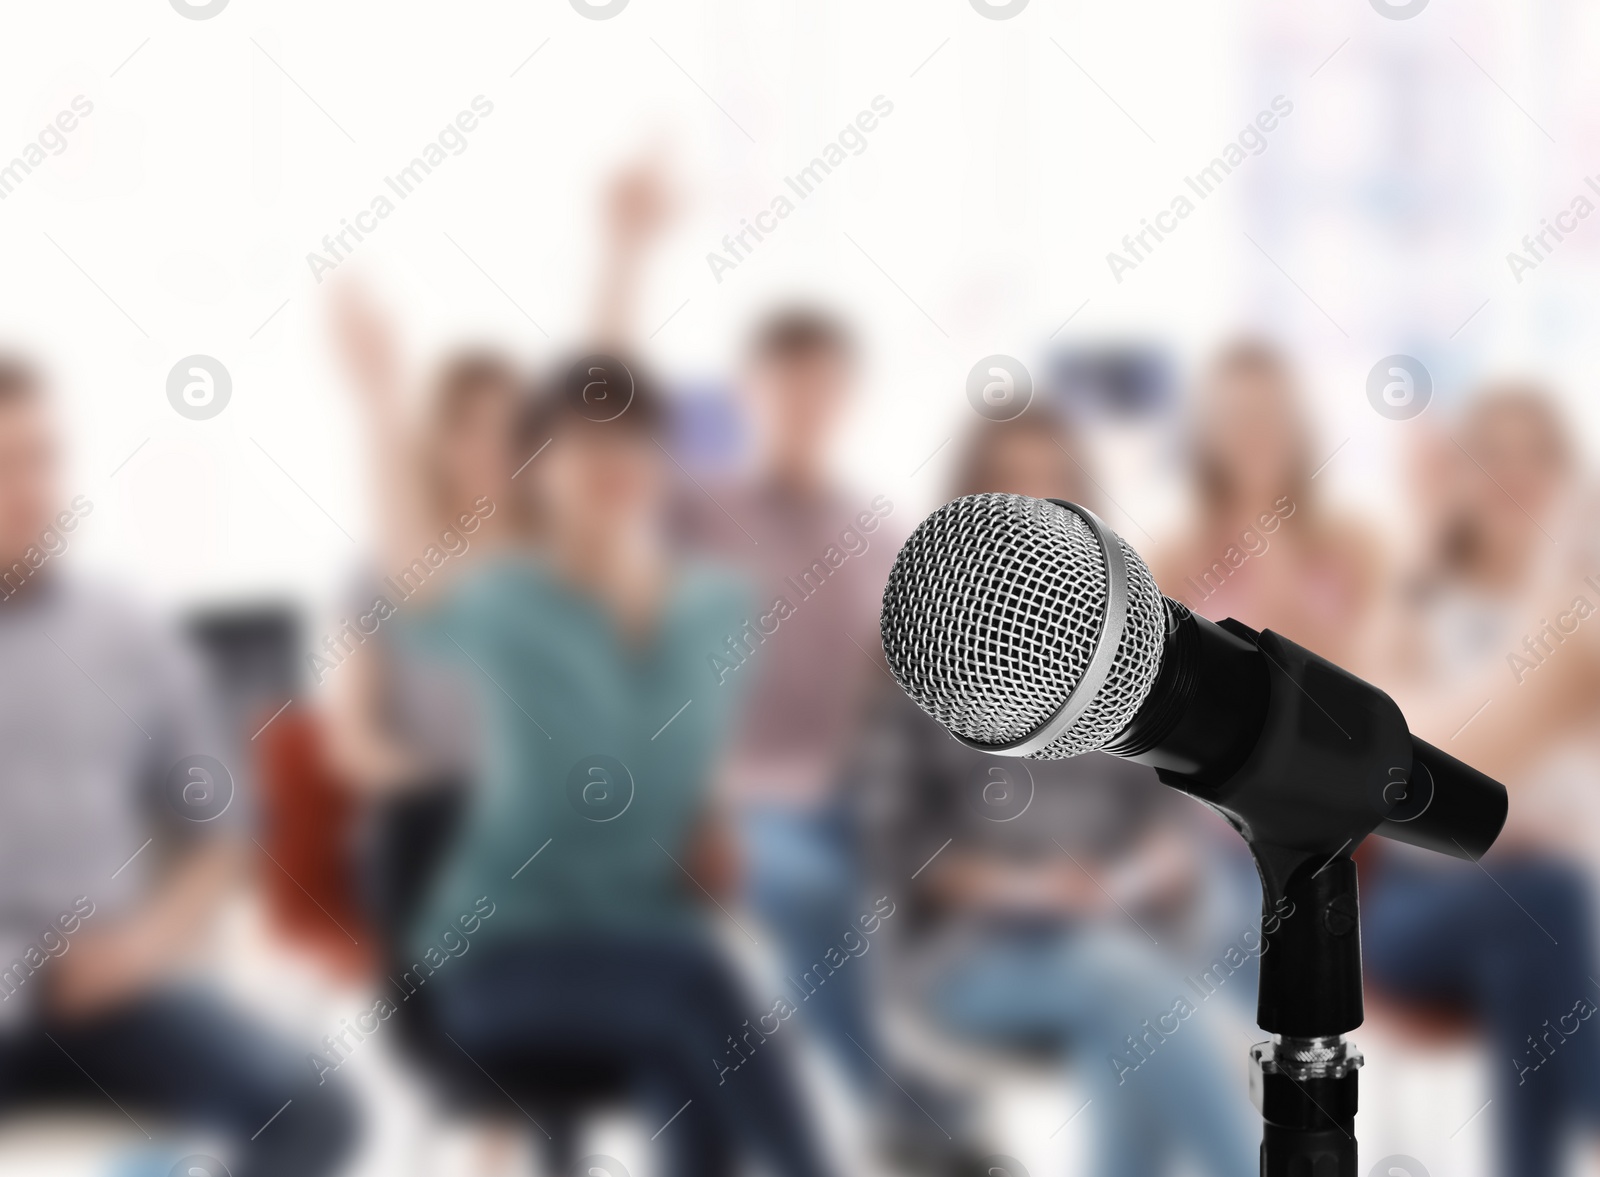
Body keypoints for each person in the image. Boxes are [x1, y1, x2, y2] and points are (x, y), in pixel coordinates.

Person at [379, 362, 838, 1177]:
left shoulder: (719, 607)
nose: (610, 460)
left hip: (651, 941)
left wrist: (708, 826)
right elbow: (414, 592)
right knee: (699, 982)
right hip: (501, 955)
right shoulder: (504, 598)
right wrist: (377, 394)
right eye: (580, 443)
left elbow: (692, 774)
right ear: (536, 471)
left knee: (695, 1047)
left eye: (632, 439)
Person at [858, 410, 1257, 1177]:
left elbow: (1168, 808)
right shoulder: (922, 647)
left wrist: (1135, 874)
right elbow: (894, 843)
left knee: (1154, 984)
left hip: (1122, 923)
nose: (1038, 502)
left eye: (1057, 483)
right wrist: (1027, 889)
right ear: (973, 502)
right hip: (968, 952)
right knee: (1129, 979)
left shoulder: (1121, 646)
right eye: (1015, 480)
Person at [0, 358, 358, 1176]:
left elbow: (224, 828)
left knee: (311, 1109)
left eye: (41, 458)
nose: (29, 488)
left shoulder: (122, 627)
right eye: (3, 464)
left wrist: (148, 945)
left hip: (111, 987)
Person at [1363, 384, 1600, 1177]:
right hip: (1414, 906)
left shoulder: (1580, 618)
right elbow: (1384, 759)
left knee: (1531, 939)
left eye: (1537, 452)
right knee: (1545, 897)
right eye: (1491, 453)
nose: (1515, 472)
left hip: (1552, 909)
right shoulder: (1422, 606)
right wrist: (1428, 539)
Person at [672, 308, 902, 1099]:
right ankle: (877, 1094)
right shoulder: (698, 511)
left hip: (859, 792)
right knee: (814, 889)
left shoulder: (874, 530)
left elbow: (896, 674)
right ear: (748, 393)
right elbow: (593, 426)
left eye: (822, 388)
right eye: (787, 386)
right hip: (736, 797)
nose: (805, 404)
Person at [1152, 339, 1383, 672]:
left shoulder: (1357, 545)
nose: (1256, 432)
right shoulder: (1174, 560)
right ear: (1208, 435)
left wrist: (1287, 599)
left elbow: (1377, 681)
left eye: (1271, 414)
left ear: (1299, 427)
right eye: (1238, 417)